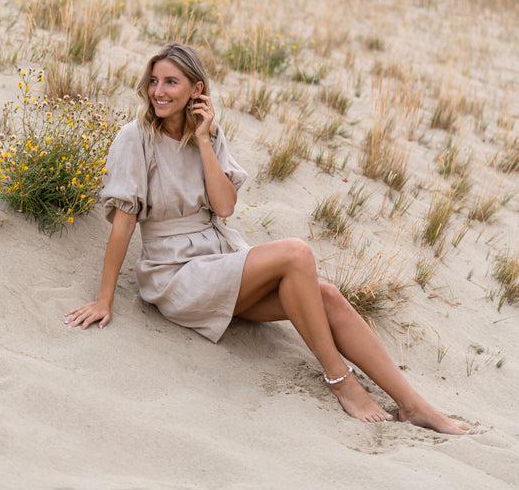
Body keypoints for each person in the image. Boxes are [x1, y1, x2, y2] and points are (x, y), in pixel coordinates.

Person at [65, 42, 469, 434]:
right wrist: (105, 298)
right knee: (296, 253)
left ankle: (413, 404)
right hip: (177, 275)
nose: (158, 92)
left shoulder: (208, 136)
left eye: (171, 82)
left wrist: (204, 140)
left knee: (325, 295)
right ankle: (341, 380)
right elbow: (123, 223)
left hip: (220, 257)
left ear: (196, 89)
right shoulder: (134, 138)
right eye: (154, 81)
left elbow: (224, 207)